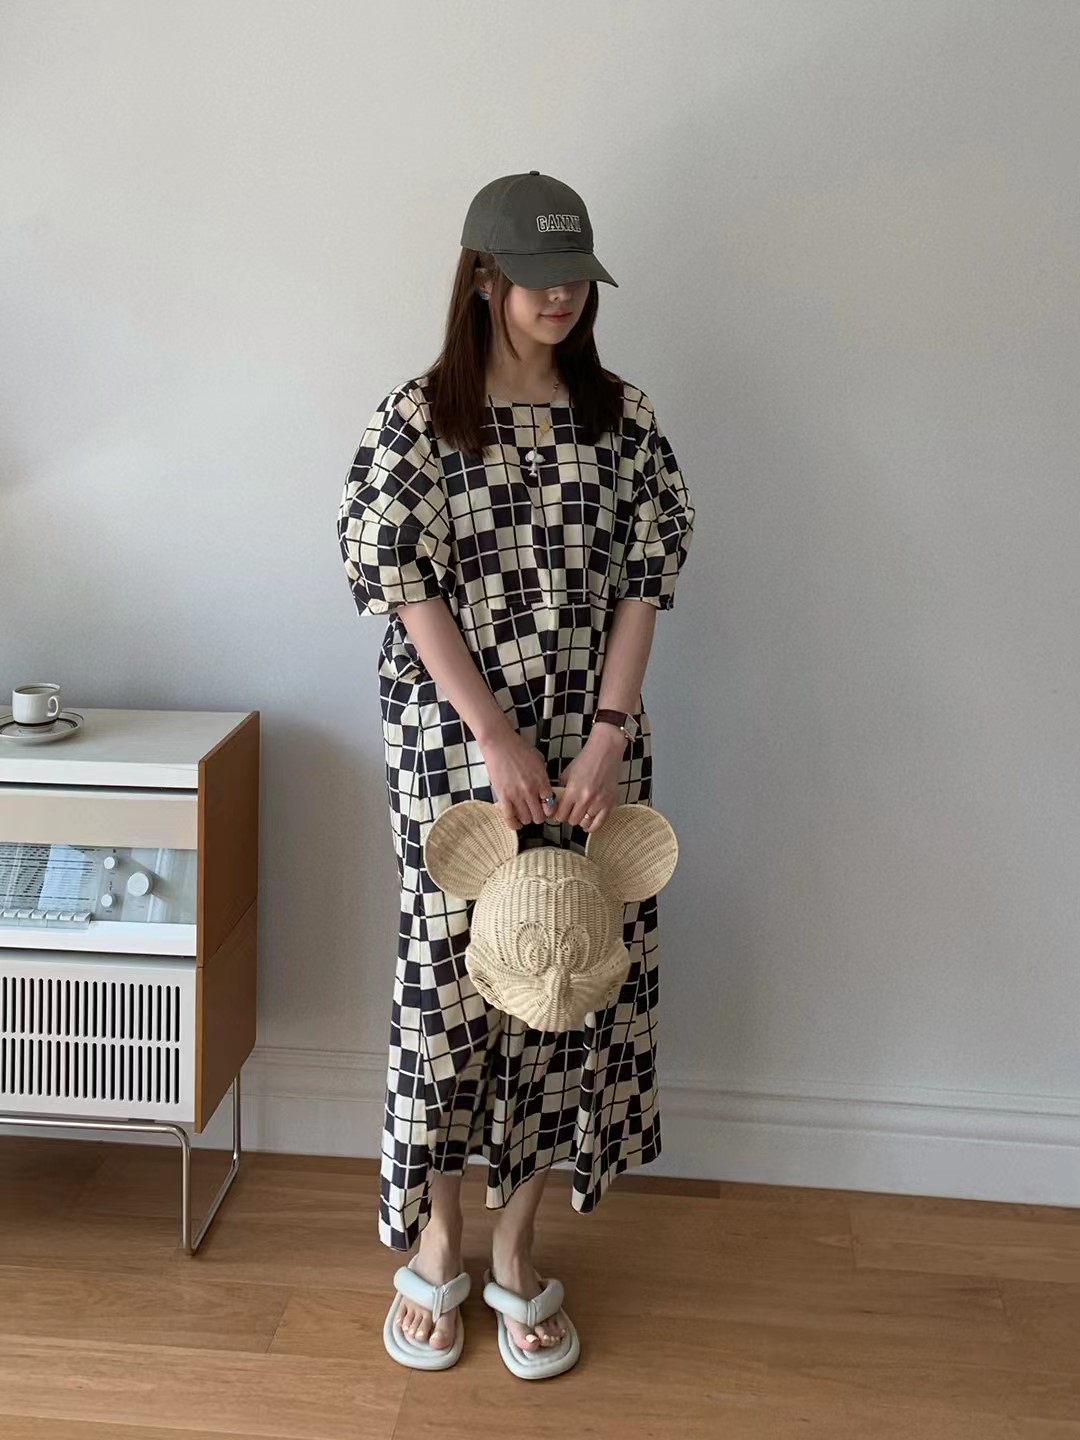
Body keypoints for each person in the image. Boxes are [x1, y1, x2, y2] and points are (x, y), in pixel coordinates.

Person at [336, 170, 695, 1378]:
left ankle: (519, 1246)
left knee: (568, 979)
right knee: (451, 993)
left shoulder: (622, 418)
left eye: (576, 276)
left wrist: (607, 733)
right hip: (454, 744)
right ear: (483, 278)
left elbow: (646, 581)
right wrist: (493, 733)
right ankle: (440, 1240)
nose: (560, 296)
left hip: (593, 746)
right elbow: (405, 587)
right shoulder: (419, 420)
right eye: (538, 276)